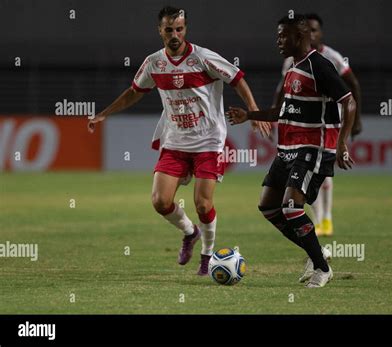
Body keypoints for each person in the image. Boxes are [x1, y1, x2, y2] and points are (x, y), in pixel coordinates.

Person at [88, 6, 271, 275]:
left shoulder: (203, 58)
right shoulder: (154, 63)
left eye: (179, 29)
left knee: (202, 204)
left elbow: (237, 78)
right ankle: (190, 232)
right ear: (159, 30)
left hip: (208, 141)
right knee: (160, 202)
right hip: (174, 141)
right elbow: (134, 92)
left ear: (185, 29)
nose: (175, 34)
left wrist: (253, 112)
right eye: (169, 29)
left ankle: (208, 256)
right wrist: (104, 114)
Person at [226, 14, 356, 288]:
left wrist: (342, 142)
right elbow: (282, 111)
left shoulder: (319, 66)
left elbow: (349, 102)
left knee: (291, 207)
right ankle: (316, 253)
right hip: (287, 149)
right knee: (268, 207)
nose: (278, 41)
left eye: (283, 36)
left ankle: (322, 268)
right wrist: (249, 115)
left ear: (300, 36)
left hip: (313, 148)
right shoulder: (291, 69)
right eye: (277, 36)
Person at [272, 13, 362, 237]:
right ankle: (319, 221)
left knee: (322, 174)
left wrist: (356, 119)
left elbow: (352, 86)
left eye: (314, 31)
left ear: (320, 33)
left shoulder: (331, 57)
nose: (310, 34)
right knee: (304, 177)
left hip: (329, 122)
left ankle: (326, 218)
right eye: (308, 30)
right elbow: (282, 90)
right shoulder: (291, 59)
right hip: (302, 127)